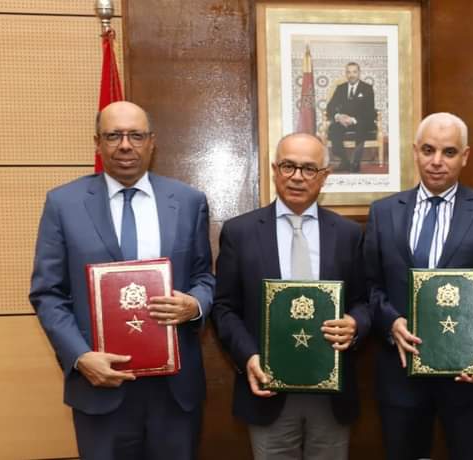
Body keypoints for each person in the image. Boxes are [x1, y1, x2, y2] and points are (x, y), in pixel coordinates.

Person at [29, 101, 215, 459]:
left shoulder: (188, 201)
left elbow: (204, 277)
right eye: (113, 136)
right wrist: (80, 356)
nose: (125, 145)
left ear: (152, 142)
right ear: (97, 143)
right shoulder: (63, 204)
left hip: (173, 390)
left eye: (136, 136)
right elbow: (48, 293)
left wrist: (194, 305)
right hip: (99, 384)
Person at [364, 112, 473, 460]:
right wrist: (391, 322)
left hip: (469, 376)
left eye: (449, 152)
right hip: (401, 373)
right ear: (415, 151)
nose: (437, 161)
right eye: (428, 150)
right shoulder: (383, 212)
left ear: (465, 156)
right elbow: (370, 285)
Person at [211, 133, 371, 459]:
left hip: (331, 391)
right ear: (274, 170)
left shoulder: (348, 234)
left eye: (309, 169)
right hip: (267, 387)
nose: (297, 177)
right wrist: (248, 357)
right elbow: (224, 308)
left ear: (324, 176)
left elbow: (365, 300)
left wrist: (356, 324)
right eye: (288, 166)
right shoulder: (240, 232)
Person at [326, 62, 376, 173]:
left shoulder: (367, 88)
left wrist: (353, 120)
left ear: (359, 73)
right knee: (334, 128)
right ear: (346, 74)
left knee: (361, 127)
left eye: (354, 72)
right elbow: (330, 106)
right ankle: (344, 161)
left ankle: (355, 163)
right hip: (343, 121)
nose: (351, 75)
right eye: (348, 72)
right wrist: (339, 116)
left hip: (361, 121)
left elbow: (369, 111)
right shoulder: (341, 88)